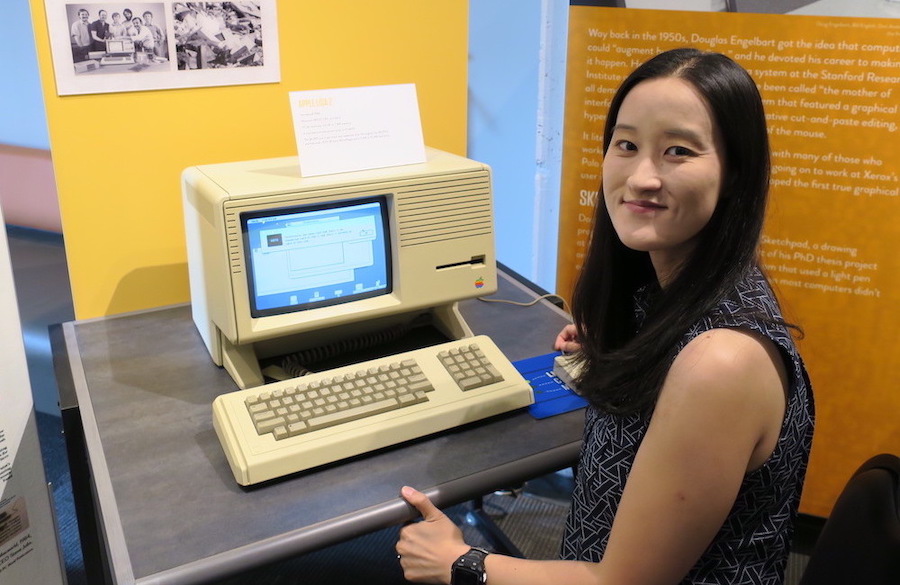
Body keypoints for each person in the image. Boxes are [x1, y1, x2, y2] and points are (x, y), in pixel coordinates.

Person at [396, 47, 815, 585]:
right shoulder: (678, 296)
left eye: (679, 151)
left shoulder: (721, 363)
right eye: (627, 144)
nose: (641, 176)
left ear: (735, 172)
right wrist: (626, 351)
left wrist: (460, 563)